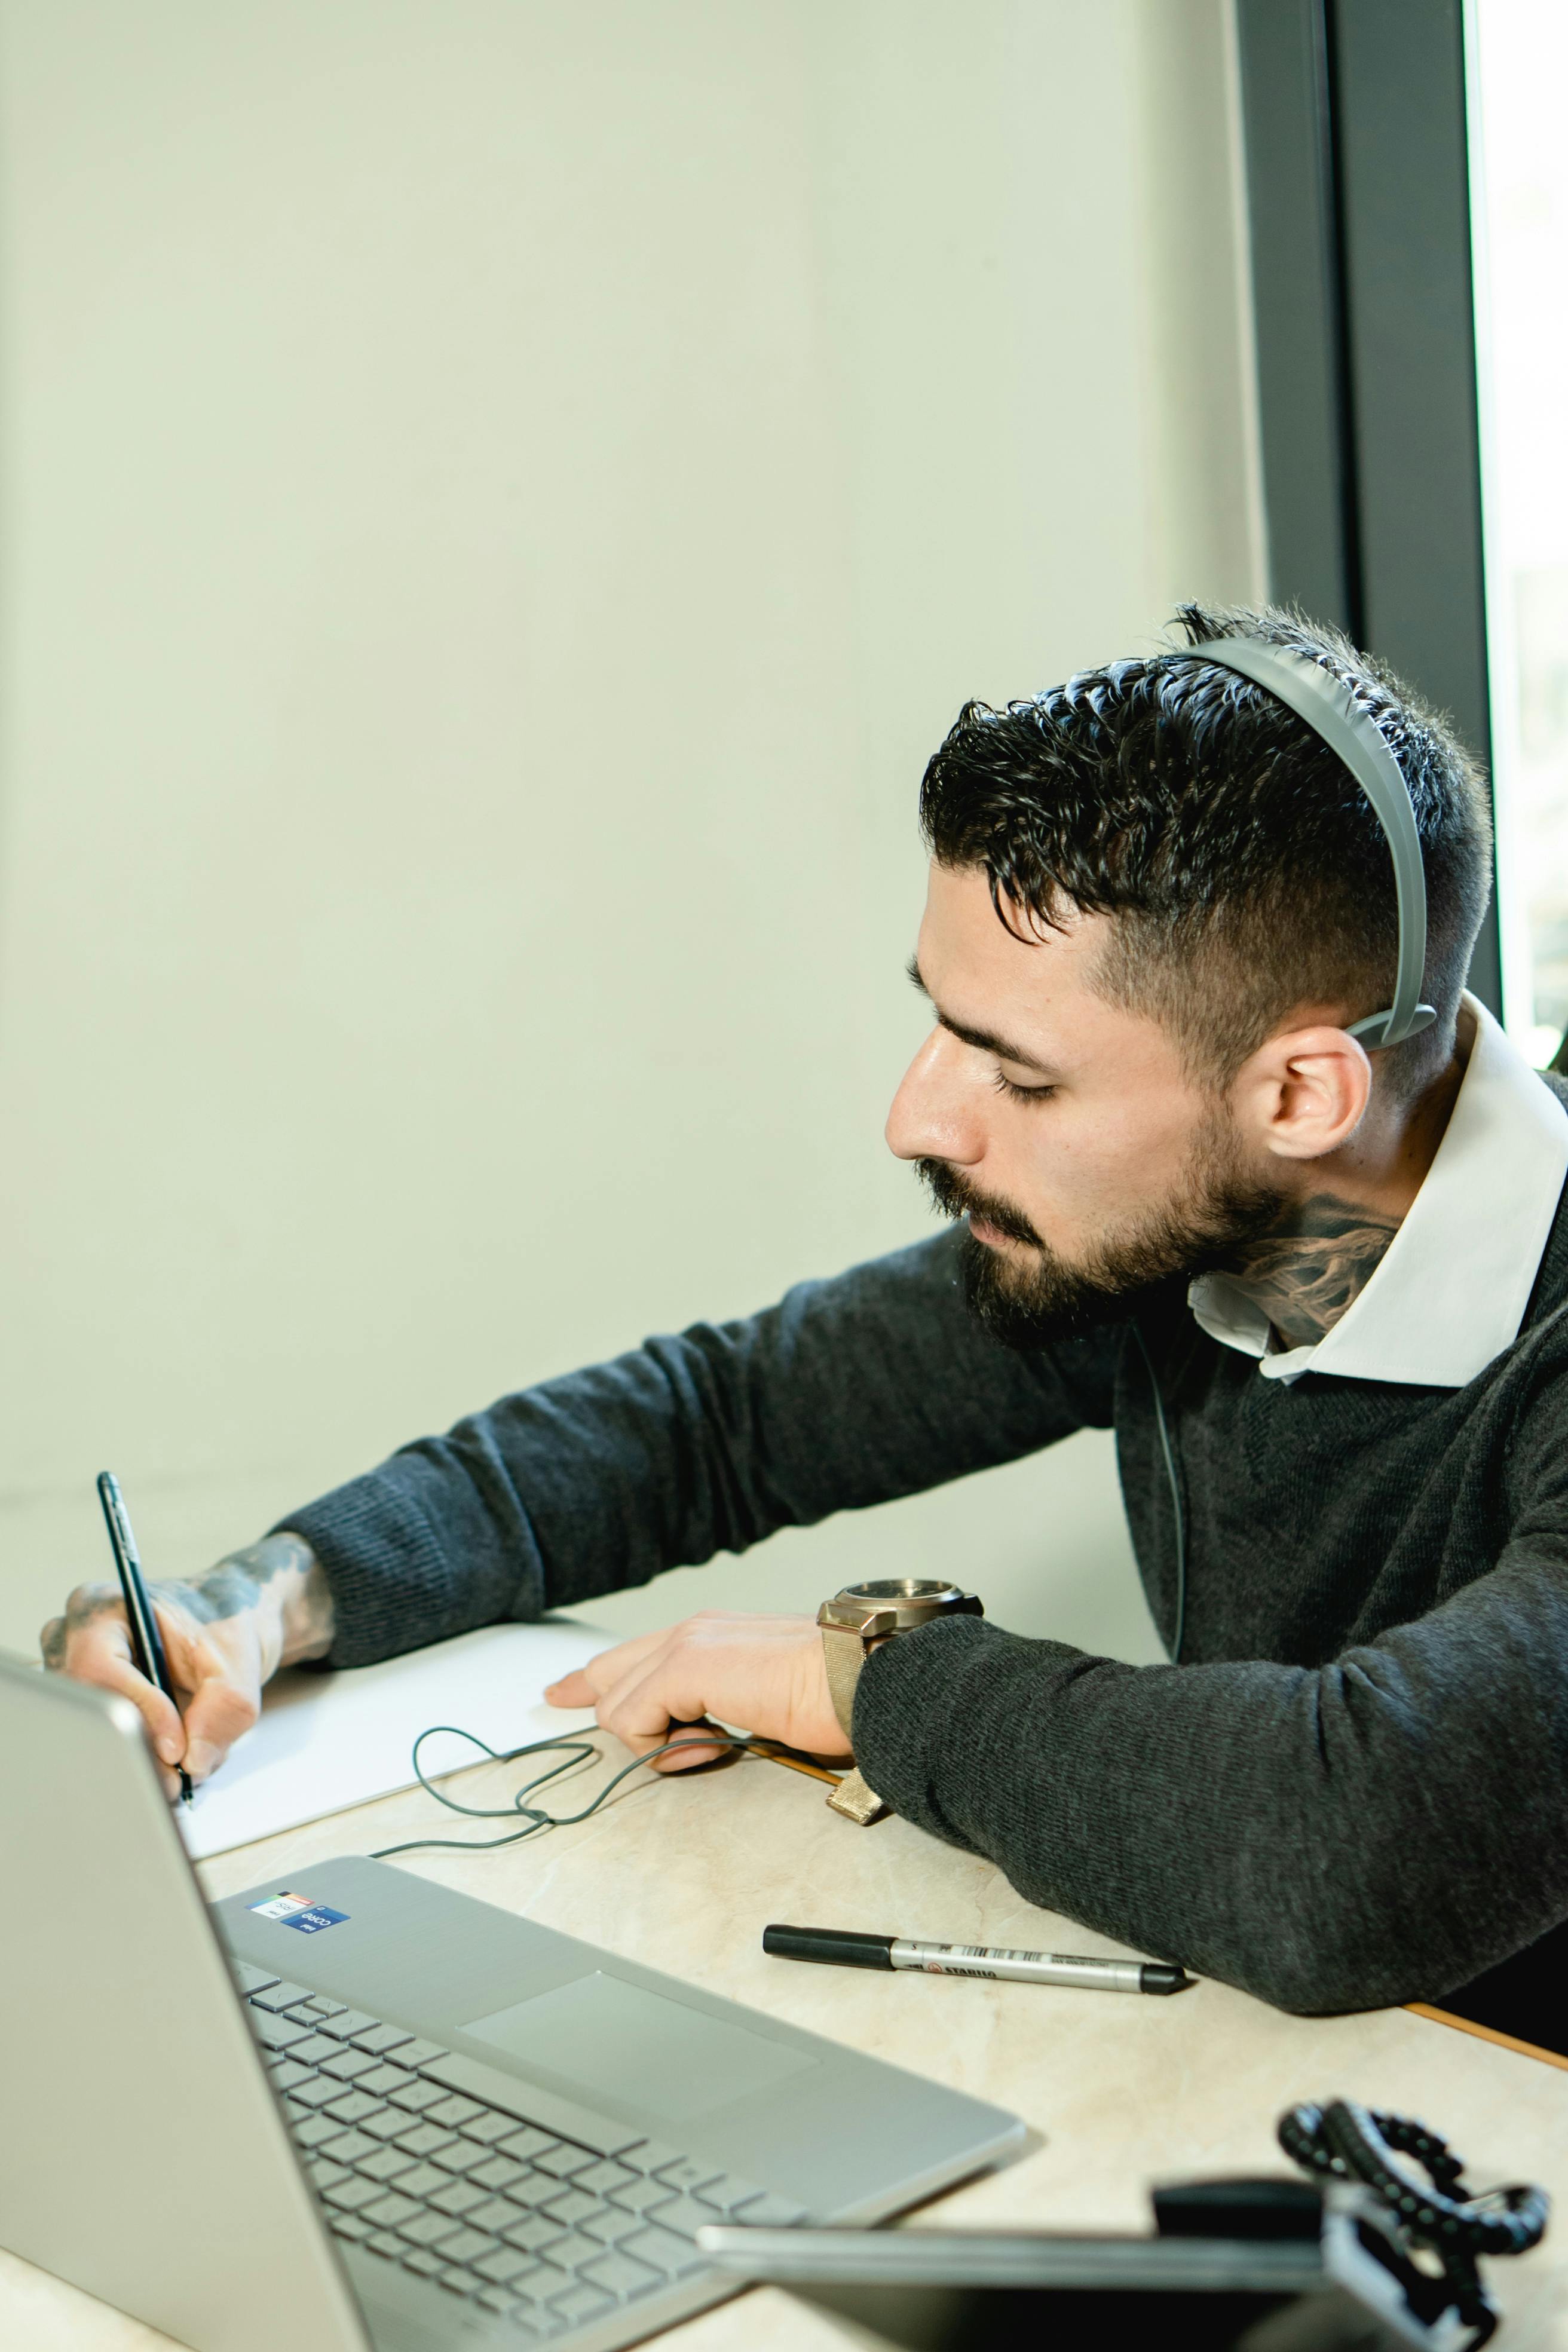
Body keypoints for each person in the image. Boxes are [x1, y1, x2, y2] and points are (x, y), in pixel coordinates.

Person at [45, 602, 1568, 2019]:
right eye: (939, 1022)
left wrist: (865, 1675)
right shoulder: (1192, 1226)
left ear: (1302, 1092)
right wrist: (263, 1604)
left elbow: (1341, 1846)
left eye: (1018, 1075)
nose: (916, 1117)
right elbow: (725, 1421)